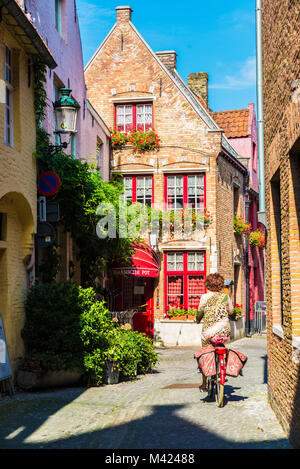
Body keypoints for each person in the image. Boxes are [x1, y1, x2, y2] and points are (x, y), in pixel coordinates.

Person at [196, 273, 233, 391]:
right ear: (221, 285)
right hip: (224, 330)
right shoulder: (226, 297)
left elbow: (200, 313)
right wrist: (233, 317)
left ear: (207, 284)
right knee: (221, 345)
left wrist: (197, 320)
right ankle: (222, 369)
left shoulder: (204, 297)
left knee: (205, 353)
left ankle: (204, 383)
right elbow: (231, 312)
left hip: (209, 331)